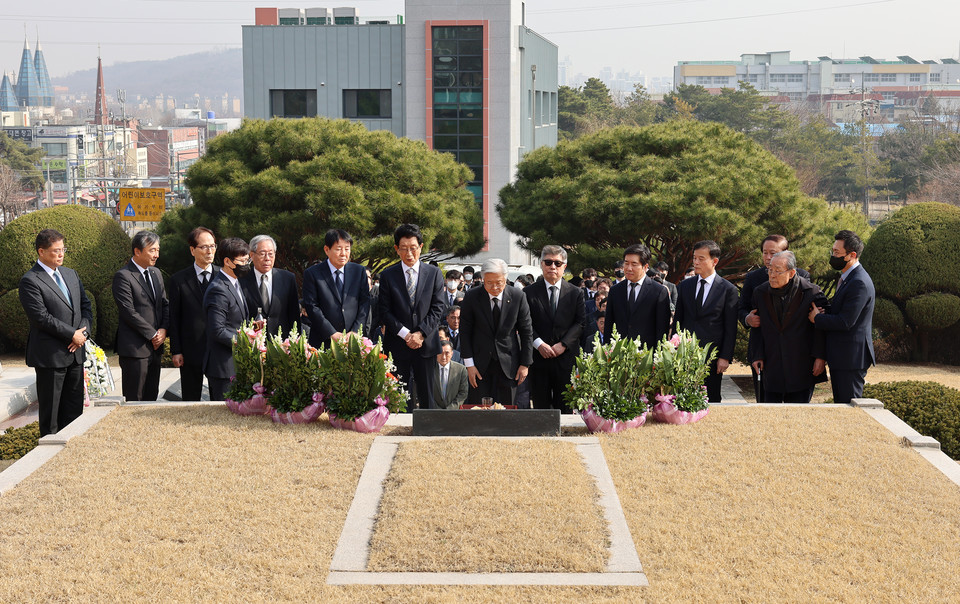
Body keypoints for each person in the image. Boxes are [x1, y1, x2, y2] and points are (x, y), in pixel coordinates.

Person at [19, 229, 93, 436]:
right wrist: (72, 334)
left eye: (63, 249)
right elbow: (41, 317)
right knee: (51, 416)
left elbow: (86, 307)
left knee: (74, 411)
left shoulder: (71, 274)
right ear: (41, 252)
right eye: (56, 251)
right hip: (50, 357)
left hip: (76, 355)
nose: (61, 254)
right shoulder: (30, 280)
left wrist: (83, 334)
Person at [378, 224, 446, 409]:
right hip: (398, 344)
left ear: (421, 247)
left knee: (427, 396)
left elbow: (438, 308)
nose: (409, 253)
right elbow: (384, 310)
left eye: (413, 248)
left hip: (426, 345)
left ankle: (427, 433)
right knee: (399, 395)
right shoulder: (387, 275)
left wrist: (421, 334)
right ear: (396, 249)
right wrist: (406, 334)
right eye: (404, 248)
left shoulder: (434, 273)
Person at [739, 234, 811, 403]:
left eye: (773, 253)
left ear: (786, 253)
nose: (768, 257)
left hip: (795, 352)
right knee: (766, 402)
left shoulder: (802, 277)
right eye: (765, 253)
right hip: (763, 349)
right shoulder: (753, 279)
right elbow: (741, 308)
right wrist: (747, 319)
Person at [750, 251, 828, 403]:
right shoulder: (760, 292)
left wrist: (820, 357)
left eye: (777, 271)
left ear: (792, 273)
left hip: (802, 364)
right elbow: (757, 326)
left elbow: (820, 329)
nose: (772, 275)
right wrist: (757, 354)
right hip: (771, 363)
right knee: (770, 413)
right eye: (770, 270)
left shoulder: (811, 292)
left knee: (799, 413)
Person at [809, 230, 875, 404]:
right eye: (833, 251)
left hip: (851, 359)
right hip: (843, 356)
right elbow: (841, 311)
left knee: (849, 406)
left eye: (837, 253)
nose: (833, 256)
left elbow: (846, 321)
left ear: (852, 255)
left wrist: (817, 318)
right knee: (841, 405)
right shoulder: (848, 278)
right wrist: (826, 313)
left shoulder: (859, 282)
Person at [460, 258, 534, 406]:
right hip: (479, 364)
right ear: (483, 279)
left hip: (509, 363)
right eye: (489, 282)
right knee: (479, 409)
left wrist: (525, 364)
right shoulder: (472, 296)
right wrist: (469, 365)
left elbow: (526, 332)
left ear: (505, 279)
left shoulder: (518, 296)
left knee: (507, 409)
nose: (494, 287)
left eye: (499, 282)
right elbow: (465, 332)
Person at [673, 240, 739, 403]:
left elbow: (730, 327)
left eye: (701, 258)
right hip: (685, 354)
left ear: (714, 261)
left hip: (712, 357)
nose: (695, 262)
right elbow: (678, 320)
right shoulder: (685, 286)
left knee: (711, 399)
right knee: (682, 399)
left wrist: (725, 356)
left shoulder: (728, 289)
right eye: (694, 258)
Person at [525, 245, 585, 413]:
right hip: (538, 358)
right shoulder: (528, 293)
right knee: (540, 406)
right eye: (548, 262)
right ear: (541, 264)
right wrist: (539, 344)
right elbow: (524, 323)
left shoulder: (575, 293)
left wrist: (563, 344)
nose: (553, 267)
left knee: (565, 405)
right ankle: (541, 439)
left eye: (557, 263)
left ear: (564, 267)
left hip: (565, 359)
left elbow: (580, 323)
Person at [112, 230, 169, 402]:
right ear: (137, 251)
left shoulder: (156, 273)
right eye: (152, 250)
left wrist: (163, 330)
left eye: (158, 250)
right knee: (134, 398)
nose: (156, 255)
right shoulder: (123, 276)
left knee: (152, 396)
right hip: (135, 349)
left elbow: (165, 304)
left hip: (156, 348)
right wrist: (152, 334)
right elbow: (128, 311)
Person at [168, 227, 219, 401]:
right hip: (190, 351)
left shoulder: (224, 277)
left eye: (212, 246)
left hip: (219, 350)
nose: (210, 251)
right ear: (192, 250)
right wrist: (176, 350)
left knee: (221, 401)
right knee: (190, 400)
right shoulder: (178, 280)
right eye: (204, 247)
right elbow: (174, 318)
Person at [203, 238, 254, 401]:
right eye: (242, 261)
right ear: (227, 261)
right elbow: (217, 330)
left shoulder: (235, 283)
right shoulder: (218, 289)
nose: (246, 264)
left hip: (235, 364)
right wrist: (245, 340)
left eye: (248, 260)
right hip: (223, 367)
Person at [302, 229, 371, 347]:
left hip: (353, 340)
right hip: (323, 340)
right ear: (327, 250)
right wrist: (331, 333)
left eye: (347, 248)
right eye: (338, 249)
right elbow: (312, 306)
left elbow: (364, 303)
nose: (343, 253)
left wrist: (355, 331)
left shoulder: (358, 271)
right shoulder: (313, 273)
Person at [604, 244, 671, 349]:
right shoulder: (615, 290)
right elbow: (609, 325)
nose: (629, 268)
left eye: (634, 264)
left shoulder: (658, 291)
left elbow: (662, 329)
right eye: (626, 263)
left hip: (646, 355)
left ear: (645, 267)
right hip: (618, 354)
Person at [242, 234, 301, 338]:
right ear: (252, 255)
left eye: (271, 254)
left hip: (281, 344)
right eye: (262, 254)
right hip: (253, 344)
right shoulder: (242, 279)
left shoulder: (287, 278)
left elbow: (294, 314)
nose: (267, 258)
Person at [432, 340, 469, 409]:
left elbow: (463, 393)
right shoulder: (429, 370)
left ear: (452, 354)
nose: (443, 357)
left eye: (447, 353)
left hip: (453, 413)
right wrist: (437, 410)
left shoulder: (461, 370)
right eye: (440, 353)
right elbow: (427, 392)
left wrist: (449, 409)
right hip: (433, 412)